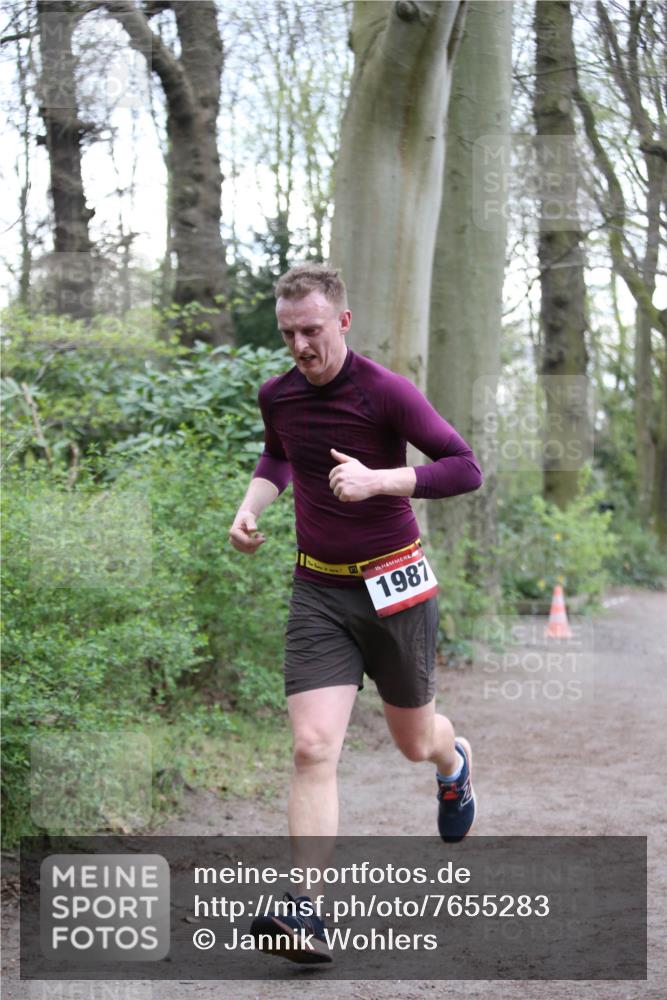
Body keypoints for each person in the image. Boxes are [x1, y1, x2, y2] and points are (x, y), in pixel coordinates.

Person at [228, 263, 483, 963]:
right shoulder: (276, 395)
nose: (300, 346)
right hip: (318, 591)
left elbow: (463, 466)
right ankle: (304, 910)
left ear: (341, 321)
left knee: (413, 741)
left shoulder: (385, 393)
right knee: (313, 746)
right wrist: (249, 511)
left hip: (395, 588)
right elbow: (278, 458)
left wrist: (381, 480)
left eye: (311, 330)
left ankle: (452, 760)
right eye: (288, 334)